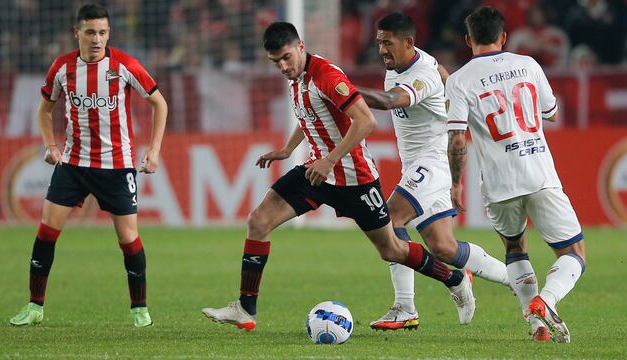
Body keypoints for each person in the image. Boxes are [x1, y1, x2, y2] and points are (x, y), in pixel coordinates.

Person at [201, 21, 474, 331]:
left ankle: (454, 278)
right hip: (316, 174)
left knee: (392, 250)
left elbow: (366, 121)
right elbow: (309, 114)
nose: (282, 66)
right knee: (259, 221)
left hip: (353, 177)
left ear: (301, 47)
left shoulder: (328, 76)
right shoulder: (299, 77)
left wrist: (331, 159)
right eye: (275, 62)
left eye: (286, 58)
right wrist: (288, 150)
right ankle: (246, 309)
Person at [9, 3, 167, 328]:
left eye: (103, 32)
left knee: (128, 239)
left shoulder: (124, 65)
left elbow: (158, 103)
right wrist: (51, 146)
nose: (97, 39)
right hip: (73, 164)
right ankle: (34, 307)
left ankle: (140, 309)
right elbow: (44, 109)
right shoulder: (62, 68)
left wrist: (154, 150)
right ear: (77, 32)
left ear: (109, 33)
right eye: (91, 32)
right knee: (46, 231)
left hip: (117, 166)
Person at [356, 12, 510, 331]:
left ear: (408, 43)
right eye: (378, 42)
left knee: (390, 218)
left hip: (434, 159)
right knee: (444, 247)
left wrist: (343, 90)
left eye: (388, 43)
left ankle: (404, 307)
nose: (381, 50)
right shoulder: (411, 62)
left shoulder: (420, 75)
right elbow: (447, 77)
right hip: (418, 163)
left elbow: (388, 101)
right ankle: (516, 280)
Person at [445, 6, 586, 343]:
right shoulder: (528, 65)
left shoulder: (460, 79)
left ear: (468, 40)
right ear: (504, 36)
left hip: (498, 183)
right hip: (539, 174)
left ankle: (537, 326)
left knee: (514, 248)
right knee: (574, 254)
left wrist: (456, 183)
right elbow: (550, 112)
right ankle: (546, 301)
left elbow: (456, 137)